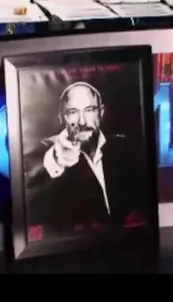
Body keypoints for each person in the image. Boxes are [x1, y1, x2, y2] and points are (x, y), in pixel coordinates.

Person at [23, 82, 148, 238]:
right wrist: (58, 158)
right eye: (72, 112)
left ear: (101, 112)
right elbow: (42, 168)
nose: (82, 121)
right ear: (62, 117)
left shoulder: (124, 146)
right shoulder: (47, 149)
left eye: (89, 110)